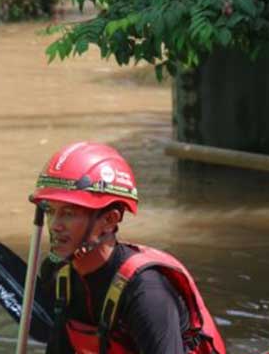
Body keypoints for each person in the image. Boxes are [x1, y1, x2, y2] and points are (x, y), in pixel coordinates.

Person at [30, 141, 226, 354]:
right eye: (50, 211)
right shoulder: (58, 275)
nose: (55, 225)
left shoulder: (147, 294)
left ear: (109, 220)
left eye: (68, 214)